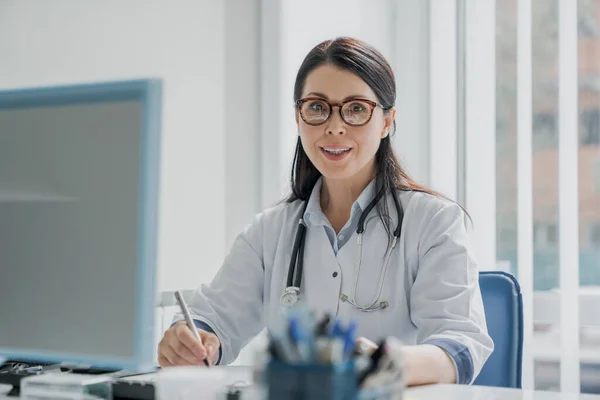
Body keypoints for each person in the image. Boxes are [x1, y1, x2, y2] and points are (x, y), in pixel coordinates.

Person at [158, 37, 493, 386]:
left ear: (387, 121)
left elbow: (460, 344)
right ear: (298, 117)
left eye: (357, 108)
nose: (334, 127)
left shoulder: (434, 223)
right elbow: (212, 319)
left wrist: (383, 363)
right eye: (317, 107)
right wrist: (190, 341)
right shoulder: (270, 231)